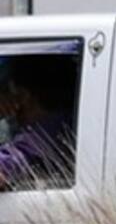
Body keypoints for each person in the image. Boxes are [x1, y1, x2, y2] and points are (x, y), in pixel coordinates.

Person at [0, 57, 75, 190]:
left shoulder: (47, 133)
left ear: (22, 95)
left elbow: (8, 164)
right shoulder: (68, 120)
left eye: (7, 91)